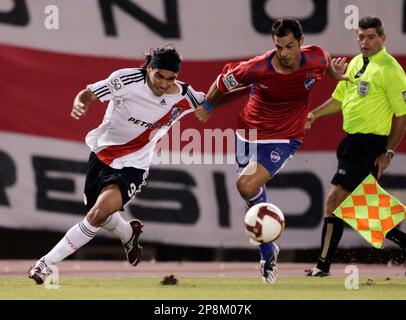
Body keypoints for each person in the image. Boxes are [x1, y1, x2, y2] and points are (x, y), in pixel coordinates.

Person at [28, 46, 205, 284]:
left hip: (134, 165)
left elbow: (217, 96)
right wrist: (82, 102)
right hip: (102, 156)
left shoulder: (184, 95)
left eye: (170, 78)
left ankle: (45, 264)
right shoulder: (127, 80)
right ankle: (128, 233)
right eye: (159, 76)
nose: (164, 84)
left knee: (97, 214)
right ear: (149, 68)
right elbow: (88, 93)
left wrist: (248, 83)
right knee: (99, 214)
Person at [195, 17, 348, 284]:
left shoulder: (317, 59)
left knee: (245, 186)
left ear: (301, 42)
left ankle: (266, 245)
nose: (284, 53)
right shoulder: (256, 67)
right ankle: (268, 252)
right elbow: (221, 83)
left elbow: (326, 68)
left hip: (284, 137)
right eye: (278, 47)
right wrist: (208, 107)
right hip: (248, 133)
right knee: (248, 190)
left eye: (290, 46)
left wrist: (334, 73)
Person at [305, 16, 406, 277]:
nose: (365, 42)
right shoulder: (355, 64)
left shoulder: (391, 69)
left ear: (383, 38)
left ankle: (323, 265)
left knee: (335, 199)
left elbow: (402, 115)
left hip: (369, 143)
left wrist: (388, 152)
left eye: (371, 37)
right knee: (362, 206)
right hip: (351, 142)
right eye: (361, 36)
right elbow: (339, 100)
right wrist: (314, 115)